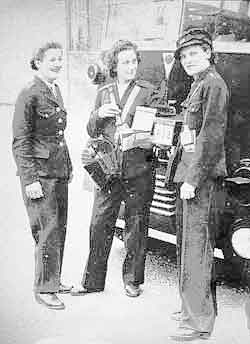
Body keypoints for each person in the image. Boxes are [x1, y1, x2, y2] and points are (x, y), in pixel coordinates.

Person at [71, 40, 155, 298]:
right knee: (99, 224)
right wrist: (98, 115)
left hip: (138, 168)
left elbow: (152, 129)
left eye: (134, 61)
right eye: (125, 62)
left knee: (136, 225)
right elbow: (91, 130)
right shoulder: (104, 91)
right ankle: (92, 281)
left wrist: (136, 132)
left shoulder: (148, 90)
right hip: (108, 170)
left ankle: (133, 281)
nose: (131, 66)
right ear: (114, 66)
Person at [167, 28, 229, 340]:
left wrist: (192, 179)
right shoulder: (199, 84)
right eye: (183, 55)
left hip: (200, 181)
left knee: (196, 251)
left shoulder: (213, 84)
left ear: (208, 53)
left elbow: (210, 137)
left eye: (194, 53)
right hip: (190, 176)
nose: (188, 59)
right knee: (187, 247)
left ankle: (198, 322)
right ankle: (189, 307)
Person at [12, 42, 73, 310]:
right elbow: (21, 141)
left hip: (58, 171)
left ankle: (54, 279)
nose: (58, 63)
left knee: (59, 227)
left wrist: (67, 168)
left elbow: (58, 136)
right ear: (37, 62)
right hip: (40, 175)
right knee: (46, 230)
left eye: (60, 59)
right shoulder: (29, 93)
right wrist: (30, 180)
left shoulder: (55, 89)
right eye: (52, 59)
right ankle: (45, 288)